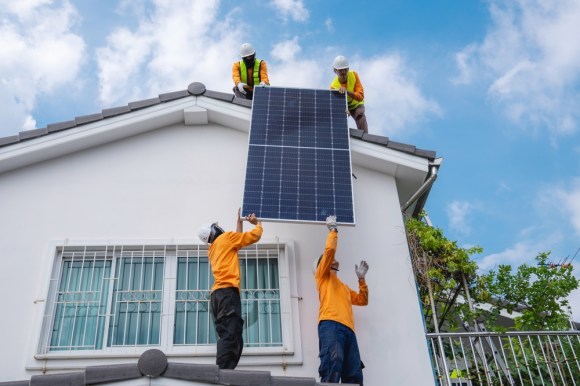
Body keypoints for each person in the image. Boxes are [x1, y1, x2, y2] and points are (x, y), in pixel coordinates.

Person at [198, 209, 263, 369]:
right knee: (230, 334)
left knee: (232, 335)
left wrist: (239, 222)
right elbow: (254, 236)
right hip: (227, 293)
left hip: (218, 295)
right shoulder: (226, 239)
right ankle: (223, 373)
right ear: (214, 231)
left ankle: (226, 370)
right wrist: (258, 224)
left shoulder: (213, 249)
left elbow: (237, 242)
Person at [313, 215, 369, 385]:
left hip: (348, 331)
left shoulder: (343, 287)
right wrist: (333, 231)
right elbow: (329, 252)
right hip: (330, 325)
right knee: (332, 365)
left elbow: (362, 300)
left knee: (354, 374)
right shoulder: (322, 276)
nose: (332, 259)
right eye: (327, 260)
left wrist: (361, 280)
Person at [330, 55, 369, 133]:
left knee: (360, 114)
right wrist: (343, 111)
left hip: (357, 104)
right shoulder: (333, 87)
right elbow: (335, 106)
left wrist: (346, 92)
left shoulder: (354, 75)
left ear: (348, 69)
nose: (343, 72)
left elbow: (360, 96)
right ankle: (341, 137)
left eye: (345, 69)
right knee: (341, 116)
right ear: (335, 71)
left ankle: (365, 137)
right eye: (340, 70)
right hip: (345, 107)